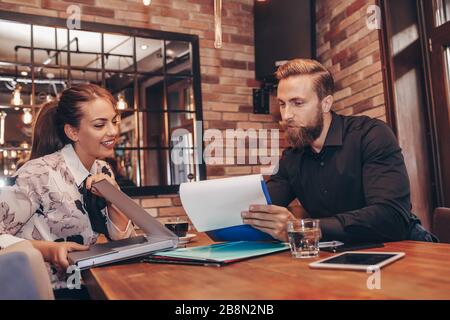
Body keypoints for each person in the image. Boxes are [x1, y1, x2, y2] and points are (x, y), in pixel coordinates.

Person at [241, 59, 437, 244]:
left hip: (405, 247)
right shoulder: (292, 157)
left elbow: (390, 217)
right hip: (340, 252)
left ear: (326, 103)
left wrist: (305, 228)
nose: (287, 116)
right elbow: (260, 208)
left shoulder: (371, 135)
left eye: (297, 103)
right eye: (282, 104)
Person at [0, 83, 135, 293]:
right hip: (48, 291)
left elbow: (126, 241)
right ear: (73, 131)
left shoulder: (103, 169)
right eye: (100, 125)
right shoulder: (38, 174)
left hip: (92, 283)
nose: (113, 131)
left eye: (115, 121)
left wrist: (112, 196)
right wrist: (49, 251)